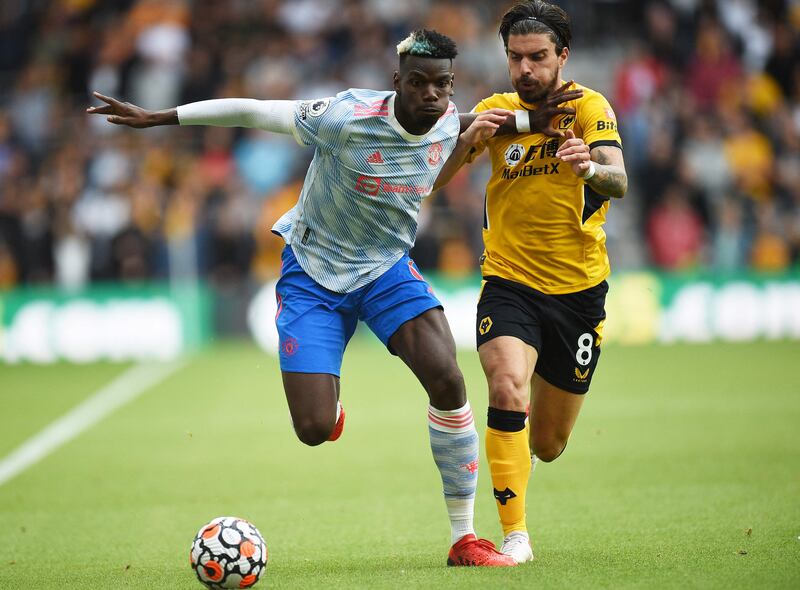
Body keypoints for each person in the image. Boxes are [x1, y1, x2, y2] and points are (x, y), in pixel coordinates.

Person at [88, 29, 524, 567]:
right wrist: (162, 117)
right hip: (313, 271)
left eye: (442, 85)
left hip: (385, 269)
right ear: (397, 82)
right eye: (419, 84)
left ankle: (465, 538)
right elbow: (253, 110)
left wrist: (548, 119)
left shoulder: (449, 122)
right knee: (314, 429)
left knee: (449, 379)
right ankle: (329, 408)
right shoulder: (343, 117)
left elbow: (488, 140)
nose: (432, 96)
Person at [435, 1, 628, 563]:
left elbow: (618, 179)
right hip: (509, 282)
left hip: (579, 292)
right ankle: (514, 533)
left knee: (548, 442)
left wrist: (589, 167)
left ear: (562, 56)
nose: (525, 69)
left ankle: (522, 467)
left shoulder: (589, 107)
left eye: (538, 57)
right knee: (504, 386)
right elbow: (433, 178)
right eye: (515, 58)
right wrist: (470, 139)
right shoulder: (494, 112)